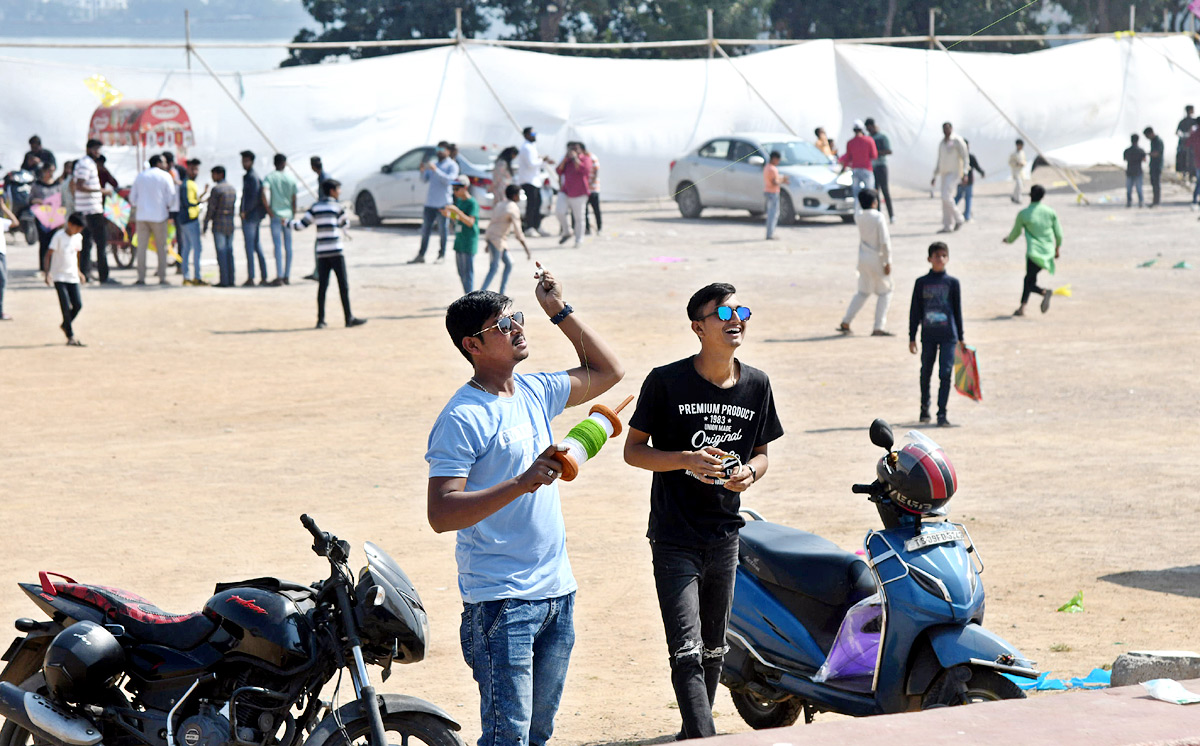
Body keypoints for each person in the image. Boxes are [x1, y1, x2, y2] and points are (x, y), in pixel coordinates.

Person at [424, 268, 623, 746]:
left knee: (537, 734)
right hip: (501, 601)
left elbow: (609, 372)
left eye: (516, 318)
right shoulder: (462, 417)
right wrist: (520, 482)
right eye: (503, 325)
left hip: (557, 592)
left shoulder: (535, 390)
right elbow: (441, 513)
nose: (517, 328)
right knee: (505, 736)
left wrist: (558, 310)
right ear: (472, 345)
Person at [624, 282, 783, 740]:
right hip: (674, 536)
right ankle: (703, 737)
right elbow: (634, 451)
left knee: (714, 649)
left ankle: (694, 732)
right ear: (698, 326)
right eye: (725, 313)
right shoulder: (666, 380)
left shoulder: (756, 384)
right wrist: (684, 459)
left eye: (742, 311)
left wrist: (749, 475)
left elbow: (762, 454)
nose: (738, 320)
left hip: (726, 535)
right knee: (687, 649)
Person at [290, 179, 366, 329]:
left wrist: (286, 223)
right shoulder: (337, 207)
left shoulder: (315, 207)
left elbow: (300, 225)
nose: (340, 192)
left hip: (322, 253)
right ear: (332, 191)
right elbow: (344, 223)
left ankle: (321, 320)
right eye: (338, 189)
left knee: (323, 287)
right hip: (336, 251)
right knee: (343, 285)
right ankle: (348, 317)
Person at [908, 242, 964, 427]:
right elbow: (915, 311)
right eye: (936, 255)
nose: (940, 259)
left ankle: (942, 413)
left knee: (945, 373)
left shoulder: (953, 283)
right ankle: (925, 408)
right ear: (929, 259)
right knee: (926, 371)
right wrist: (912, 336)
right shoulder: (921, 283)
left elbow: (957, 311)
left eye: (943, 255)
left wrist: (961, 338)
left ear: (947, 258)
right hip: (928, 335)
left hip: (949, 336)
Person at [837, 188, 893, 336]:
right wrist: (888, 262)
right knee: (885, 292)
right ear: (875, 202)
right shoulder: (878, 217)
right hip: (877, 258)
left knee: (863, 292)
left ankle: (846, 321)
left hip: (863, 258)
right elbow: (885, 242)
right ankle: (878, 326)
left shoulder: (859, 216)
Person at [1003, 184, 1062, 318]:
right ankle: (1022, 308)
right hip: (1048, 252)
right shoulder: (1050, 212)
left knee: (1028, 280)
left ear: (1030, 196)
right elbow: (1059, 234)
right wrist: (1057, 249)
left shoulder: (1023, 214)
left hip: (1034, 253)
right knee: (1029, 279)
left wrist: (1008, 240)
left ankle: (1043, 292)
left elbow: (1016, 233)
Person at [128, 155, 178, 286]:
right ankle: (162, 277)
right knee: (162, 247)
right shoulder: (165, 176)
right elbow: (171, 197)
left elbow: (132, 198)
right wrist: (166, 206)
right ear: (159, 163)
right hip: (159, 216)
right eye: (164, 162)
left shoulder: (141, 176)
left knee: (141, 248)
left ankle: (141, 277)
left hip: (142, 216)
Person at [408, 142, 459, 264]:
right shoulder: (434, 164)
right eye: (438, 148)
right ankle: (421, 255)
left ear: (447, 151)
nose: (439, 151)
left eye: (442, 149)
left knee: (443, 231)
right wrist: (422, 171)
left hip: (444, 203)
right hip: (430, 203)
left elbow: (449, 181)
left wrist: (436, 170)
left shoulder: (452, 165)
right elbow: (424, 180)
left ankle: (441, 255)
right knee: (425, 231)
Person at [74, 139, 114, 284]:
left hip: (87, 209)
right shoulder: (86, 164)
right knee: (100, 244)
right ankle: (103, 276)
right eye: (96, 149)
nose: (98, 152)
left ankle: (86, 274)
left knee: (87, 245)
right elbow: (80, 186)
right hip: (91, 210)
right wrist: (102, 190)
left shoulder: (85, 163)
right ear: (90, 149)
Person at [45, 212, 87, 347]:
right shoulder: (58, 237)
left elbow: (77, 255)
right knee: (65, 306)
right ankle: (70, 335)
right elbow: (48, 255)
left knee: (78, 304)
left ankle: (65, 325)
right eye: (77, 227)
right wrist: (47, 273)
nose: (78, 231)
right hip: (59, 276)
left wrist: (79, 271)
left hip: (72, 275)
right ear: (70, 224)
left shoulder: (78, 237)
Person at [481, 184, 531, 295]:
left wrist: (487, 242)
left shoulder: (500, 204)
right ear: (514, 196)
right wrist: (526, 248)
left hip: (495, 239)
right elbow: (518, 231)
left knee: (509, 263)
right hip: (497, 240)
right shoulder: (513, 208)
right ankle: (479, 294)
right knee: (494, 268)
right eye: (518, 195)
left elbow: (493, 223)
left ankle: (502, 294)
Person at [262, 153, 298, 285]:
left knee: (277, 246)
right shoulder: (290, 178)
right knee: (288, 246)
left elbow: (264, 192)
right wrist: (293, 214)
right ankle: (287, 275)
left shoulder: (270, 177)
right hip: (288, 215)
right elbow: (294, 198)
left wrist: (269, 210)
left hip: (276, 215)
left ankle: (280, 275)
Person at [442, 177, 480, 294]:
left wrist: (457, 211)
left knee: (468, 273)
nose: (455, 191)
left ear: (465, 188)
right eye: (453, 189)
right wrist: (450, 215)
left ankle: (469, 299)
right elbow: (460, 219)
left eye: (457, 189)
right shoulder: (460, 201)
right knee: (461, 272)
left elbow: (470, 222)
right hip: (459, 241)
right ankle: (467, 296)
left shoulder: (472, 203)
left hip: (468, 242)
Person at [930, 122, 969, 234]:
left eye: (948, 128)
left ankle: (959, 218)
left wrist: (965, 172)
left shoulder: (957, 141)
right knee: (944, 199)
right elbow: (939, 160)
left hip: (955, 172)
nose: (946, 130)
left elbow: (965, 157)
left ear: (951, 128)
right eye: (944, 129)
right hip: (943, 173)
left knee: (946, 195)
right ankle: (948, 225)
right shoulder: (942, 143)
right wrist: (934, 175)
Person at [204, 165, 238, 287]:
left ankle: (224, 280)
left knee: (222, 253)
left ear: (220, 174)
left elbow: (211, 209)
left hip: (219, 224)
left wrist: (205, 223)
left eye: (214, 174)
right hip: (230, 224)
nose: (212, 177)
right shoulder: (232, 189)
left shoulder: (217, 189)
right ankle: (231, 279)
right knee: (229, 252)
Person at [555, 142, 593, 248]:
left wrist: (575, 158)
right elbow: (558, 170)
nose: (573, 151)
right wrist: (566, 158)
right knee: (559, 212)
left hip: (579, 192)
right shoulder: (566, 160)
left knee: (579, 218)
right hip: (566, 191)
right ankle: (567, 231)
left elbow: (584, 170)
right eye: (571, 149)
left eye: (575, 148)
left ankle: (579, 239)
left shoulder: (585, 158)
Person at [240, 150, 268, 287]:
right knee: (256, 246)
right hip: (253, 216)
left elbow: (253, 198)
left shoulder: (252, 177)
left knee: (250, 247)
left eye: (246, 161)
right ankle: (263, 276)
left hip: (251, 217)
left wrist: (245, 211)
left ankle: (252, 277)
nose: (244, 163)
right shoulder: (249, 176)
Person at [838, 120, 878, 216]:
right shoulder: (869, 140)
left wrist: (843, 168)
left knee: (856, 195)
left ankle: (857, 214)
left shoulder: (850, 142)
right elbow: (874, 155)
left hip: (855, 170)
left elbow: (848, 158)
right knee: (870, 192)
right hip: (867, 169)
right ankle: (871, 214)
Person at [518, 126, 552, 236]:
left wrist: (543, 161)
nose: (534, 136)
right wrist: (543, 160)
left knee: (538, 204)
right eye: (532, 134)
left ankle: (537, 226)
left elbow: (536, 162)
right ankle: (529, 228)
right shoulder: (526, 148)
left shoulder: (532, 147)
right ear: (526, 135)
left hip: (535, 180)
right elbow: (531, 164)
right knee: (531, 205)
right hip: (528, 180)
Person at [30, 162, 62, 273]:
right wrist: (40, 202)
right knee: (43, 241)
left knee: (54, 241)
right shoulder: (37, 185)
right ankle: (43, 267)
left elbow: (61, 200)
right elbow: (30, 199)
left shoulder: (57, 184)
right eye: (49, 171)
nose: (51, 173)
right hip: (41, 216)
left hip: (54, 216)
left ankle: (52, 265)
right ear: (44, 171)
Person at [177, 158, 205, 285]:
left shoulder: (189, 184)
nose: (195, 172)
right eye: (193, 169)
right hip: (190, 220)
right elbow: (188, 202)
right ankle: (196, 276)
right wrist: (199, 202)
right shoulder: (187, 184)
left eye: (197, 169)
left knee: (187, 248)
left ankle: (187, 276)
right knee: (197, 248)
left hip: (185, 220)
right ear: (188, 169)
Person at [303, 156, 331, 281]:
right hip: (324, 214)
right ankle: (318, 272)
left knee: (321, 246)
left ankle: (319, 273)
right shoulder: (322, 177)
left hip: (324, 215)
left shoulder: (324, 178)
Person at [865, 118, 895, 223]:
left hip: (882, 166)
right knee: (875, 192)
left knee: (885, 191)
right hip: (872, 167)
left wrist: (876, 153)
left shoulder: (882, 136)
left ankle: (891, 215)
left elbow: (889, 150)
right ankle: (878, 215)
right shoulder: (868, 138)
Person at [953, 140, 985, 221]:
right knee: (967, 198)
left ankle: (953, 211)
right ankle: (965, 215)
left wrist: (981, 172)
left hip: (962, 181)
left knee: (959, 197)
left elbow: (977, 167)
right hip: (964, 180)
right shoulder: (961, 157)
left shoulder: (960, 157)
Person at [763, 150, 789, 240]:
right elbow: (775, 182)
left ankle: (770, 233)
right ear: (774, 159)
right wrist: (783, 180)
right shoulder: (772, 169)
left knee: (771, 213)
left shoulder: (767, 167)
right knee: (773, 214)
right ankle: (770, 234)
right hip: (772, 193)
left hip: (768, 191)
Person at [0, 200, 16, 320]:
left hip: (1, 254)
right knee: (2, 281)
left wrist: (4, 208)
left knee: (2, 282)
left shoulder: (1, 221)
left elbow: (15, 223)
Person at [582, 142, 601, 235]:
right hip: (585, 189)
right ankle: (587, 229)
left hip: (593, 189)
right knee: (584, 210)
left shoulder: (592, 157)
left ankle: (599, 228)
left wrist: (591, 183)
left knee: (596, 210)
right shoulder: (582, 159)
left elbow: (596, 170)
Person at [1122, 134, 1146, 209]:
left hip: (1130, 171)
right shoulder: (1141, 150)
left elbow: (1125, 159)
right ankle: (1140, 202)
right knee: (1139, 189)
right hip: (1138, 171)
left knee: (1129, 189)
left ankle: (1129, 202)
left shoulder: (1127, 150)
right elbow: (1144, 160)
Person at [1143, 127, 1164, 207]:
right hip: (1153, 165)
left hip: (1157, 165)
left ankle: (1156, 202)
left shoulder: (1158, 141)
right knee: (1153, 183)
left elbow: (1156, 153)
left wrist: (1147, 154)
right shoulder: (1153, 141)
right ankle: (1155, 201)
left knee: (1156, 184)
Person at [1175, 105, 1196, 182]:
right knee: (1186, 157)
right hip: (1187, 143)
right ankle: (1186, 173)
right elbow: (1177, 132)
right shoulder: (1185, 121)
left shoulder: (1194, 121)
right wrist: (1185, 135)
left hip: (1190, 143)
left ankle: (1190, 174)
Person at [1008, 139, 1027, 204]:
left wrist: (1023, 164)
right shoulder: (1013, 154)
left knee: (1020, 186)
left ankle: (1014, 197)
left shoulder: (1022, 152)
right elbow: (1010, 162)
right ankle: (1018, 199)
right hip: (1016, 172)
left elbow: (1025, 161)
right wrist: (1016, 164)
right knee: (1019, 185)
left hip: (1021, 172)